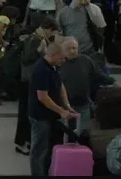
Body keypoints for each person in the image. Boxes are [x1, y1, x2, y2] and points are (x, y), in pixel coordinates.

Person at [28, 39, 78, 176]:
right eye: (61, 58)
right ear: (53, 55)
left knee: (50, 148)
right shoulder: (42, 70)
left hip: (51, 116)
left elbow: (60, 85)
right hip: (41, 117)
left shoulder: (54, 67)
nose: (64, 60)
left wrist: (66, 105)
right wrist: (61, 111)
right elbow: (42, 97)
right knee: (39, 150)